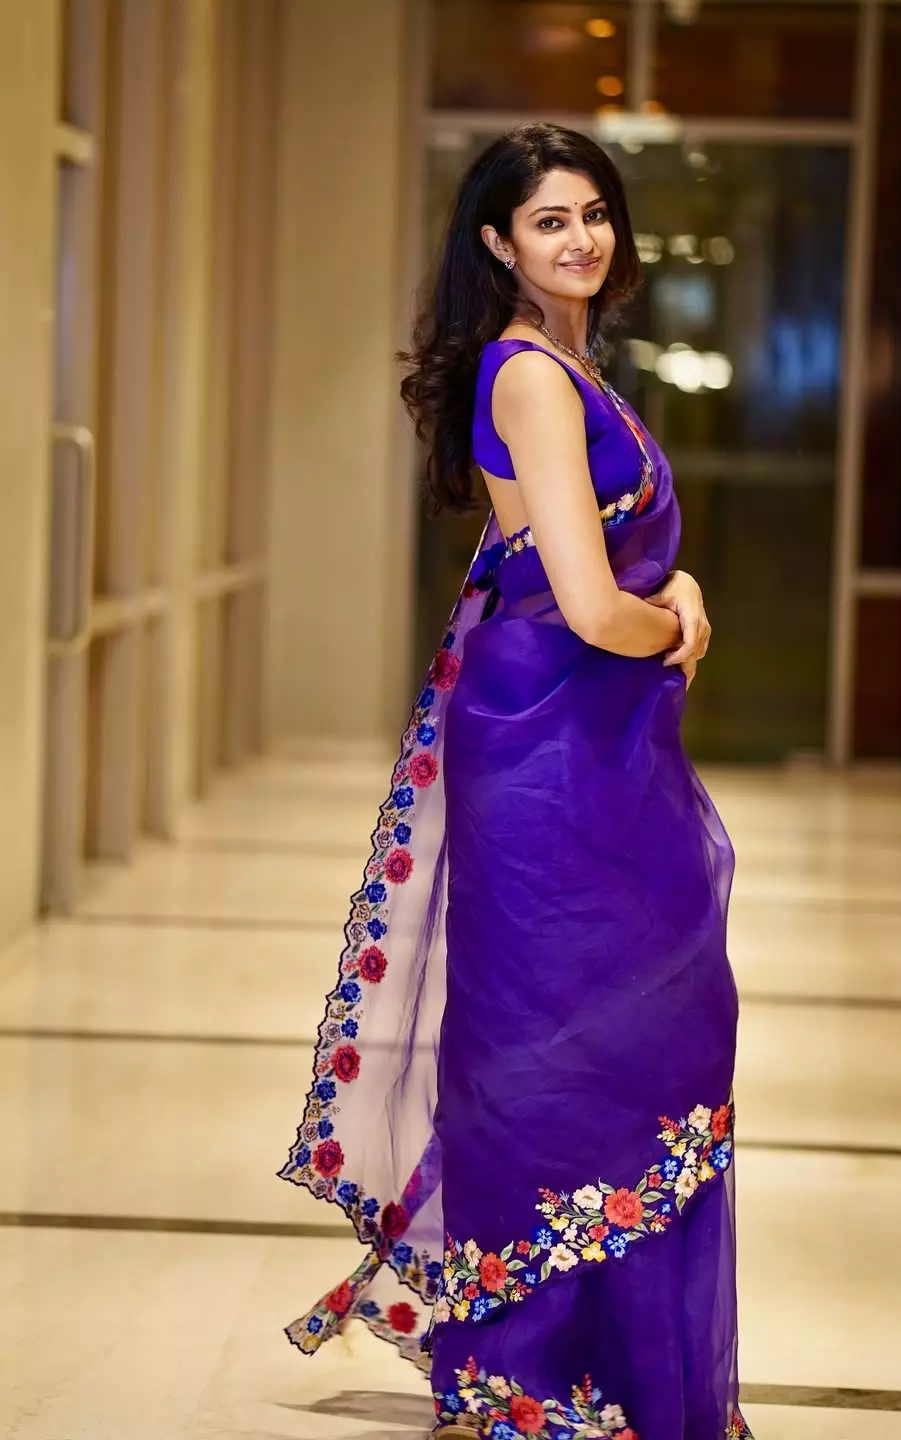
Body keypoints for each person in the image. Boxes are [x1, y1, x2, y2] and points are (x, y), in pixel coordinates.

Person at [278, 122, 753, 1440]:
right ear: (498, 241)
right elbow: (594, 607)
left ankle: (589, 1366)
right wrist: (679, 622)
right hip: (554, 747)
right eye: (549, 219)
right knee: (555, 1043)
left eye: (594, 212)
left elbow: (559, 557)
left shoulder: (569, 363)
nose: (580, 238)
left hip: (577, 735)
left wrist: (675, 586)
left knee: (615, 1034)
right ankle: (535, 1379)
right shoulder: (533, 373)